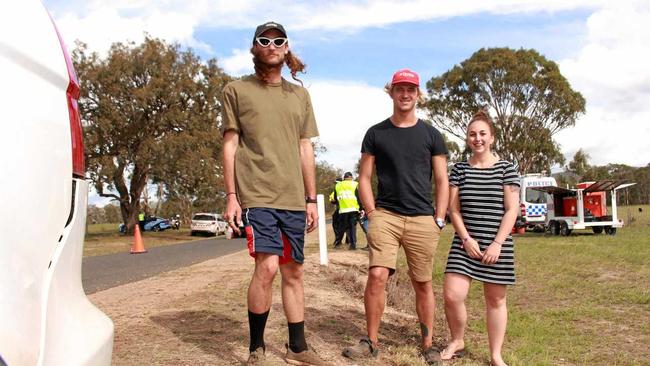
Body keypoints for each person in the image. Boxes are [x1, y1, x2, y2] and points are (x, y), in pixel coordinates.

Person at [221, 21, 329, 365]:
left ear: (287, 48)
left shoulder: (299, 94)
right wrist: (231, 196)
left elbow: (305, 148)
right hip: (256, 195)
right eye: (264, 40)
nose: (271, 45)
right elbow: (230, 144)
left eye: (278, 40)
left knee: (293, 270)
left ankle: (297, 347)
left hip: (293, 199)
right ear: (255, 47)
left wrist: (311, 199)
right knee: (266, 267)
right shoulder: (236, 90)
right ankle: (257, 349)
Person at [342, 69, 449, 361]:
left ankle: (428, 347)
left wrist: (439, 218)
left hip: (422, 219)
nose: (405, 94)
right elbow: (364, 177)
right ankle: (371, 343)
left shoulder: (431, 135)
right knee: (377, 275)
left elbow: (442, 180)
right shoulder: (376, 133)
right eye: (400, 88)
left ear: (418, 95)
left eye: (411, 89)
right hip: (385, 216)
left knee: (422, 283)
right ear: (391, 92)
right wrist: (372, 212)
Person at [433, 110, 520, 366]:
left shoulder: (507, 168)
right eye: (472, 134)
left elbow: (512, 209)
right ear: (467, 138)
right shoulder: (459, 169)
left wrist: (497, 243)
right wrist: (467, 239)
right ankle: (457, 340)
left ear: (492, 137)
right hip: (465, 243)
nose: (477, 138)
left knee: (495, 300)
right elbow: (454, 209)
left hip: (497, 244)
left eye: (482, 133)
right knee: (452, 294)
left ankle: (495, 355)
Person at [332, 172, 363, 250]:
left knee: (341, 228)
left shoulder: (338, 185)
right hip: (353, 209)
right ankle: (353, 245)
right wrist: (361, 208)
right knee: (352, 228)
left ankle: (337, 243)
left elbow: (335, 198)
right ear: (351, 177)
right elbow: (358, 197)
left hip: (342, 210)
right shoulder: (355, 184)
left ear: (344, 177)